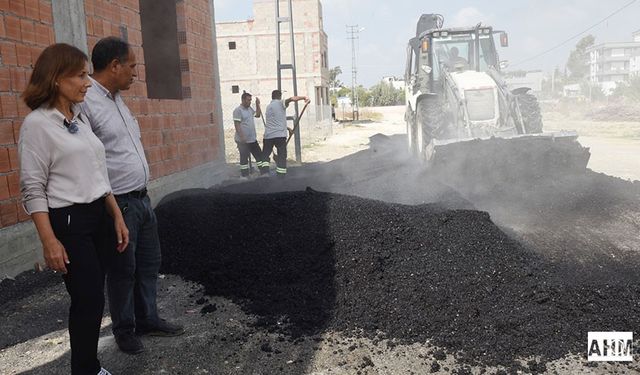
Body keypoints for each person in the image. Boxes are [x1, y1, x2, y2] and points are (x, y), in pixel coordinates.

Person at [19, 43, 129, 375]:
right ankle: (86, 369)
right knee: (88, 298)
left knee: (95, 294)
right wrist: (49, 241)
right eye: (80, 75)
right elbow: (33, 188)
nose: (87, 82)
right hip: (69, 220)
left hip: (98, 215)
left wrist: (116, 214)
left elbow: (98, 172)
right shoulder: (37, 125)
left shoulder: (78, 119)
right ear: (55, 78)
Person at [80, 37, 184, 355]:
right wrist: (111, 210)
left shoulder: (116, 99)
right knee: (123, 270)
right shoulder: (86, 102)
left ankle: (147, 319)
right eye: (132, 66)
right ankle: (124, 329)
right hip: (119, 204)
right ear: (114, 65)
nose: (136, 73)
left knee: (149, 263)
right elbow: (88, 160)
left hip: (142, 199)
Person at [262, 90, 309, 177]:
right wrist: (304, 97)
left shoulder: (268, 107)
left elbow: (275, 122)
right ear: (280, 96)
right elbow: (292, 99)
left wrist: (288, 129)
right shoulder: (280, 103)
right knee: (282, 156)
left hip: (268, 136)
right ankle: (281, 175)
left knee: (265, 156)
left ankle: (265, 173)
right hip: (280, 136)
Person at [233, 91, 269, 177]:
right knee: (244, 158)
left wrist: (257, 104)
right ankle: (245, 175)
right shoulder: (238, 110)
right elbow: (237, 125)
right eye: (248, 100)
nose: (249, 102)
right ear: (243, 100)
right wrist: (242, 137)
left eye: (250, 100)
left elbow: (257, 115)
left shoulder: (249, 109)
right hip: (243, 141)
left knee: (259, 156)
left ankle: (263, 172)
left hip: (252, 139)